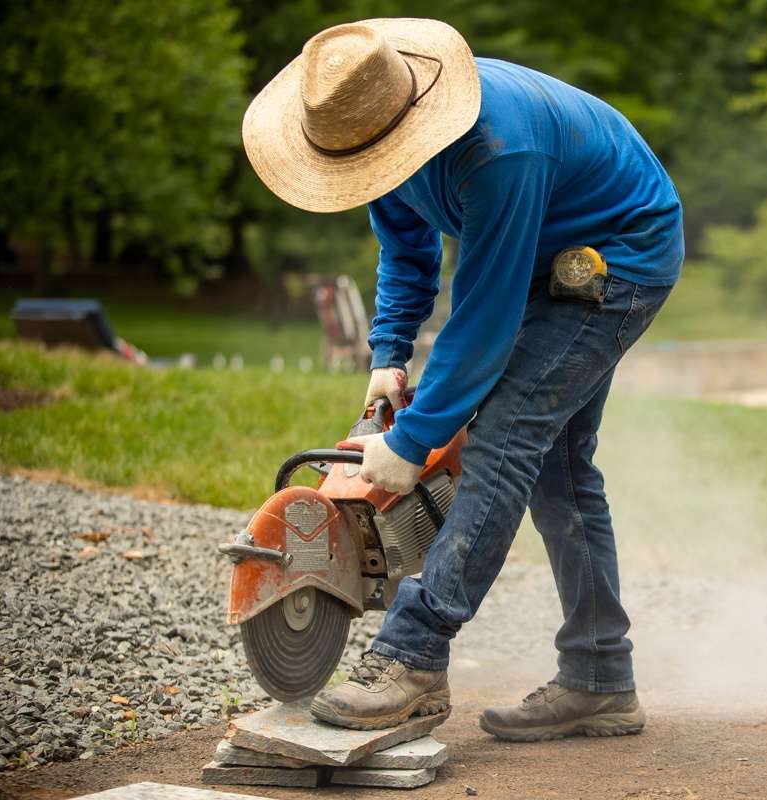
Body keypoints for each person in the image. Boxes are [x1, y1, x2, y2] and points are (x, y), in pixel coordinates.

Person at [242, 18, 683, 741]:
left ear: (406, 117)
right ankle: (601, 676)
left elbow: (483, 318)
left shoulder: (495, 152)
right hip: (543, 247)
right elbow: (406, 248)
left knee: (505, 440)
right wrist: (388, 355)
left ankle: (413, 656)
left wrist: (414, 441)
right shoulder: (378, 136)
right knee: (558, 473)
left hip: (622, 252)